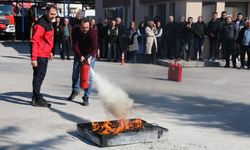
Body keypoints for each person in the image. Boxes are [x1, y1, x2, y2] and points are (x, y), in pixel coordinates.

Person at [30, 5, 57, 107]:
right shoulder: (40, 24)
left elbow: (47, 39)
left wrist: (50, 52)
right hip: (39, 55)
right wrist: (34, 58)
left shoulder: (49, 22)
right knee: (39, 76)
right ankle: (37, 98)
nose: (53, 16)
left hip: (44, 54)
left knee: (39, 76)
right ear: (46, 12)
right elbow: (35, 41)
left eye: (54, 14)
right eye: (51, 14)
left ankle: (35, 98)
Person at [67, 18, 98, 106]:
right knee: (75, 73)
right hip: (79, 53)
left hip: (90, 53)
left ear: (89, 26)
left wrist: (90, 57)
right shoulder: (75, 31)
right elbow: (75, 45)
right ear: (79, 26)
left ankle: (86, 96)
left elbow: (95, 47)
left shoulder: (93, 32)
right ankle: (75, 91)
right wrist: (80, 56)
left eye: (87, 27)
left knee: (88, 76)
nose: (85, 29)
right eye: (83, 27)